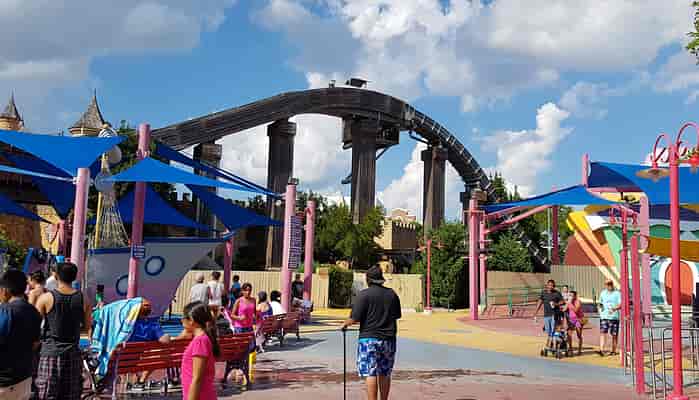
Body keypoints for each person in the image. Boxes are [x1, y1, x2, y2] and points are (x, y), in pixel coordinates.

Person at [341, 266, 402, 400]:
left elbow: (354, 318)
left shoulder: (363, 295)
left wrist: (345, 324)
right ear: (381, 279)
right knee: (385, 373)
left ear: (368, 279)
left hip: (368, 340)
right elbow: (397, 315)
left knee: (370, 373)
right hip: (388, 339)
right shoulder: (392, 294)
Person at [34, 262, 92, 400]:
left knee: (46, 394)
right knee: (71, 395)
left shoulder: (46, 298)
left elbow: (34, 326)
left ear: (56, 276)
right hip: (73, 353)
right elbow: (87, 328)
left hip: (50, 353)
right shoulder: (84, 299)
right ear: (74, 277)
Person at [0, 269, 42, 400]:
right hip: (24, 379)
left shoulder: (5, 311)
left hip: (4, 382)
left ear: (5, 290)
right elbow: (35, 344)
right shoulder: (34, 311)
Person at [127, 299, 171, 390]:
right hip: (145, 359)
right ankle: (142, 380)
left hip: (125, 360)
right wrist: (167, 336)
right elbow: (164, 340)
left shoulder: (128, 324)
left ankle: (134, 380)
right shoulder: (153, 325)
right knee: (158, 353)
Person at [180, 301, 220, 400]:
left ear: (192, 320)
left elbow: (197, 378)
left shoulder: (200, 341)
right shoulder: (201, 339)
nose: (181, 320)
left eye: (184, 317)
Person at [535, 280, 564, 349]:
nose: (551, 287)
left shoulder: (557, 293)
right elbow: (540, 301)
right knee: (548, 330)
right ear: (547, 285)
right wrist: (536, 311)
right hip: (546, 315)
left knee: (553, 330)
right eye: (549, 285)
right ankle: (555, 342)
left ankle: (551, 344)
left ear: (554, 286)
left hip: (555, 314)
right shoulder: (544, 293)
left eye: (552, 285)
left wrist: (556, 304)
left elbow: (562, 301)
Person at [598, 279, 621, 356]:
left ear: (612, 284)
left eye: (610, 284)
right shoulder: (603, 293)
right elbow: (600, 303)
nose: (608, 285)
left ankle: (613, 350)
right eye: (607, 284)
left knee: (614, 334)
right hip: (604, 316)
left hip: (614, 317)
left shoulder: (617, 293)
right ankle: (601, 349)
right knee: (602, 333)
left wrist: (614, 308)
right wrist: (600, 308)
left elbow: (620, 304)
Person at [566, 290, 584, 356]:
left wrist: (570, 303)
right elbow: (564, 309)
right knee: (569, 334)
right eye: (569, 295)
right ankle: (570, 349)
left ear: (575, 296)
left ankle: (579, 350)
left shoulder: (577, 301)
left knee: (579, 334)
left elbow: (576, 310)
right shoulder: (568, 302)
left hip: (578, 319)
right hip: (571, 319)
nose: (570, 296)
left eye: (572, 295)